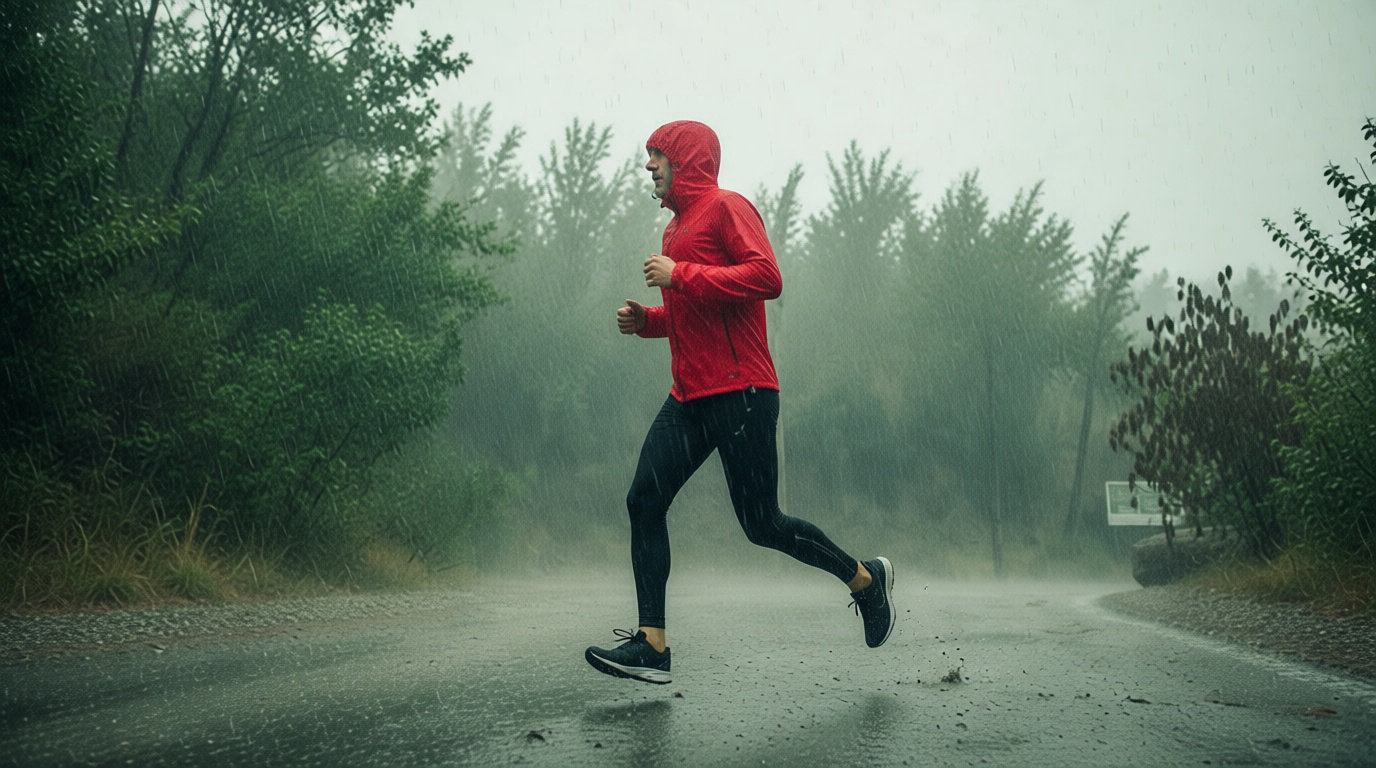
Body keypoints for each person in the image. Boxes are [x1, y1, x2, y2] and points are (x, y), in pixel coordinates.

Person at [584, 120, 895, 685]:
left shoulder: (728, 208)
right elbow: (695, 316)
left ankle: (866, 580)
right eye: (647, 158)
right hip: (690, 396)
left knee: (761, 524)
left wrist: (681, 275)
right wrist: (649, 320)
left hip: (743, 391)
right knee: (643, 500)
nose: (648, 167)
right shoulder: (674, 230)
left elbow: (766, 277)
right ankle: (653, 644)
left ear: (686, 161)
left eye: (657, 156)